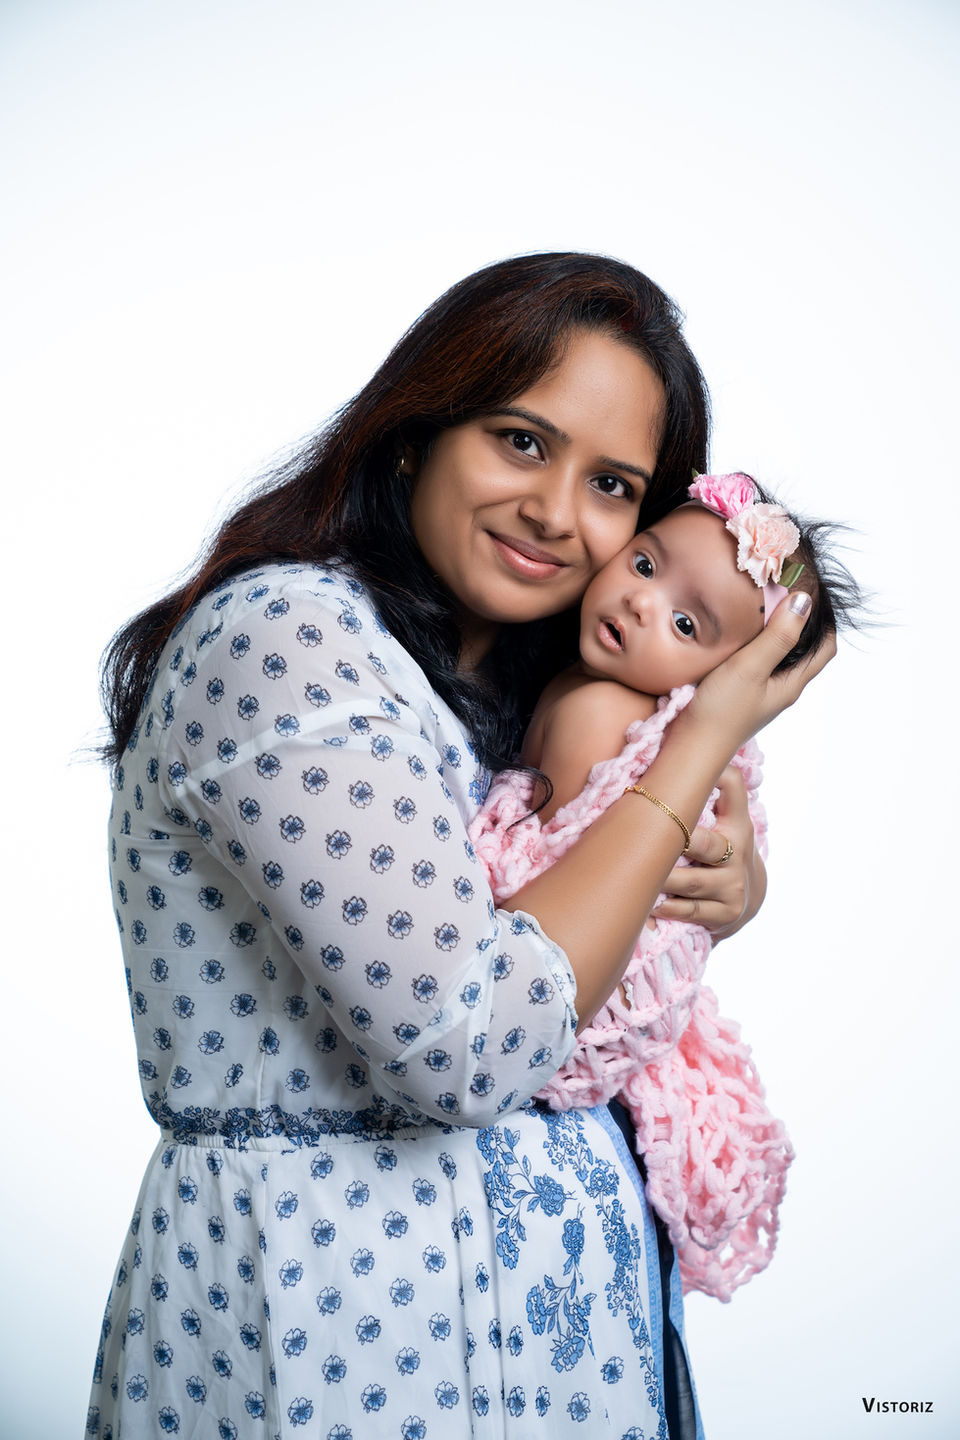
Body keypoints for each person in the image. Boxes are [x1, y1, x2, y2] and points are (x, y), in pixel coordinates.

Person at [89, 254, 832, 1440]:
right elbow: (469, 1044)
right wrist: (710, 736)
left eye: (613, 485)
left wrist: (720, 879)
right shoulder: (289, 641)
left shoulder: (545, 690)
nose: (556, 513)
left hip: (579, 1360)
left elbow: (586, 962)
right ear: (413, 434)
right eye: (521, 442)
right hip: (333, 1334)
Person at [472, 471, 858, 1308]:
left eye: (687, 624)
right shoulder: (587, 684)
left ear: (720, 681)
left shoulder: (608, 714)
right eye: (645, 565)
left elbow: (579, 893)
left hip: (552, 1015)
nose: (644, 604)